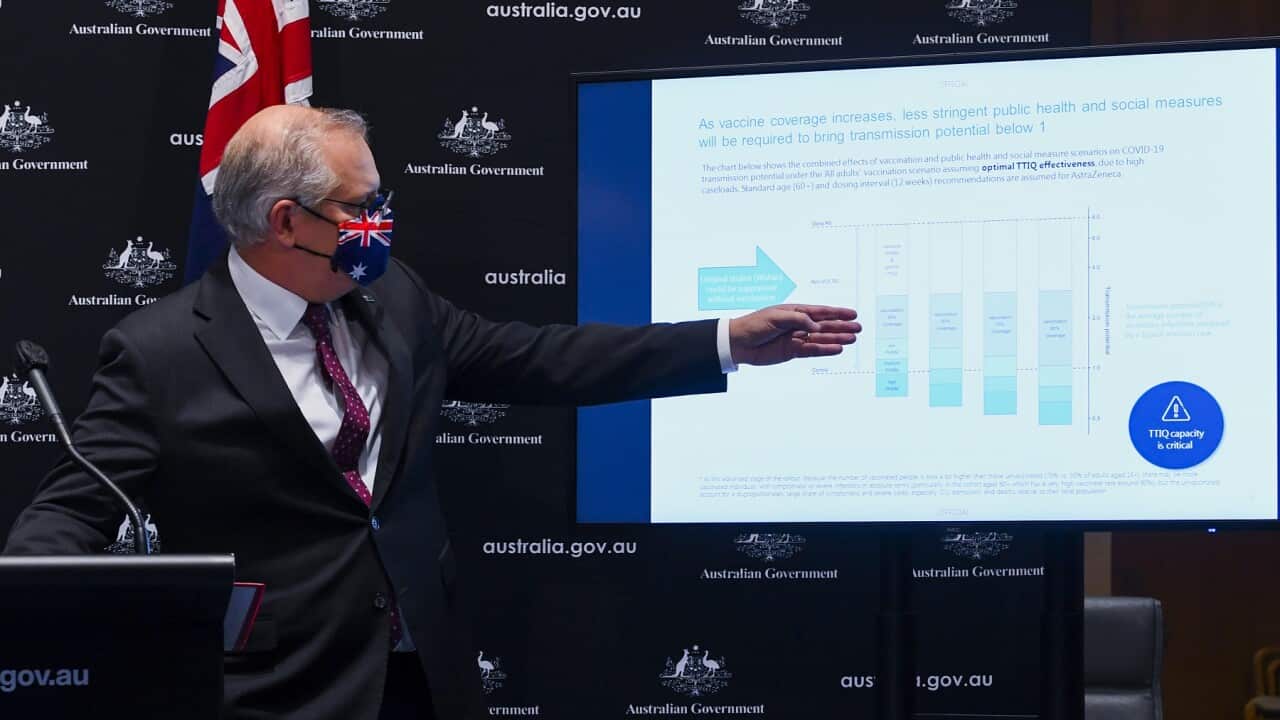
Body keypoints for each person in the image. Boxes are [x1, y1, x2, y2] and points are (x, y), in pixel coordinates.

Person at [3, 105, 860, 719]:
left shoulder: (396, 298)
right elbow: (75, 508)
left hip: (427, 674)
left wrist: (723, 341)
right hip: (276, 691)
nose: (382, 223)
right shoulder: (159, 351)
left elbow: (535, 358)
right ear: (286, 221)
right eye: (362, 207)